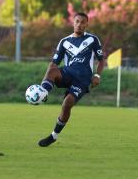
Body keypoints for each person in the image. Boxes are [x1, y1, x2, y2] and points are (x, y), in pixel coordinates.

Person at [37, 12, 104, 147]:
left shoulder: (92, 40)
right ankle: (43, 92)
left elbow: (101, 60)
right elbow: (53, 64)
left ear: (86, 25)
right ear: (73, 23)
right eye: (77, 21)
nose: (79, 24)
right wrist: (42, 87)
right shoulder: (64, 42)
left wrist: (97, 75)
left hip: (83, 80)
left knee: (67, 104)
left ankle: (53, 136)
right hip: (67, 74)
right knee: (53, 70)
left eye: (82, 22)